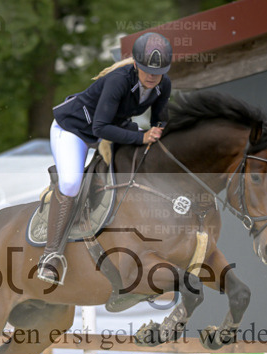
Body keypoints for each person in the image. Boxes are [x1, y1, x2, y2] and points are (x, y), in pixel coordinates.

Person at [40, 31, 173, 285]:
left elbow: (160, 120)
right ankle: (51, 255)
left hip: (112, 130)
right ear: (136, 65)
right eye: (147, 71)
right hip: (74, 130)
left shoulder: (163, 85)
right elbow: (100, 128)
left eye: (158, 73)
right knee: (71, 183)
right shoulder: (118, 80)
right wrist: (142, 137)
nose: (152, 77)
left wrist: (159, 134)